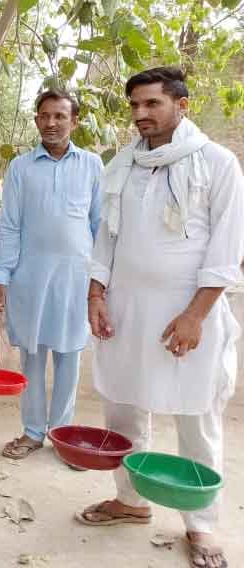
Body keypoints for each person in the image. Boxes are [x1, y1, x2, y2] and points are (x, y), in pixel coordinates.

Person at [77, 67, 242, 568]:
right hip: (126, 310)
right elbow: (107, 237)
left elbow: (227, 248)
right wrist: (96, 293)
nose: (140, 114)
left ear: (181, 105)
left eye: (152, 103)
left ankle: (201, 522)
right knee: (123, 408)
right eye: (134, 105)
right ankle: (131, 500)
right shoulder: (123, 164)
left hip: (186, 317)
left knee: (196, 415)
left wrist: (196, 315)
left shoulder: (217, 163)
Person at [0, 91, 103, 464]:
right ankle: (33, 432)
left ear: (74, 121)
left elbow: (100, 225)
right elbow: (10, 226)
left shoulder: (92, 165)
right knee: (33, 356)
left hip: (75, 279)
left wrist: (101, 281)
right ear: (36, 119)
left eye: (60, 116)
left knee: (69, 357)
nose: (51, 123)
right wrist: (2, 277)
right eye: (44, 116)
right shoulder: (21, 167)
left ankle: (63, 435)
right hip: (29, 278)